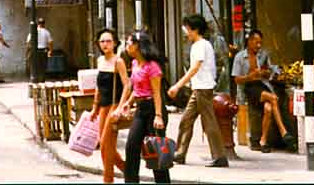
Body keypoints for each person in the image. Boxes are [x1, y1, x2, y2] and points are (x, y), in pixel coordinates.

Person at [168, 14, 228, 167]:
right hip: (199, 88)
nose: (186, 32)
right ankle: (180, 153)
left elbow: (195, 68)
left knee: (209, 123)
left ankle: (219, 156)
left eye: (187, 29)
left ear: (195, 30)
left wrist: (178, 85)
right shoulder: (199, 45)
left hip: (203, 88)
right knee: (186, 120)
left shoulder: (201, 45)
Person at [117, 30, 170, 184]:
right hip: (140, 109)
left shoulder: (152, 66)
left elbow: (156, 93)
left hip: (153, 108)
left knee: (156, 152)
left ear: (137, 45)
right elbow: (137, 88)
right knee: (131, 147)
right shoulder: (134, 64)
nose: (126, 46)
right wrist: (129, 102)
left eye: (128, 43)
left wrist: (159, 116)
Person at [232, 30, 295, 152]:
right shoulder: (240, 57)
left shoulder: (263, 55)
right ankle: (283, 131)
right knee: (273, 98)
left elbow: (269, 71)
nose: (259, 46)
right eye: (256, 43)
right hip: (249, 88)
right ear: (249, 41)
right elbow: (236, 79)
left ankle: (263, 140)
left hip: (262, 86)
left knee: (269, 108)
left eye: (260, 43)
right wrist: (250, 76)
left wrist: (265, 73)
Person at [89, 28, 129, 183]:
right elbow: (98, 87)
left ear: (115, 43)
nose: (105, 44)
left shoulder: (118, 61)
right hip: (103, 107)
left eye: (108, 41)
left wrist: (120, 107)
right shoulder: (100, 61)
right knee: (105, 146)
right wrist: (94, 108)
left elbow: (127, 84)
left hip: (114, 105)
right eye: (102, 41)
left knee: (106, 145)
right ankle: (128, 171)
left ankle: (108, 180)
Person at [26, 17, 53, 83]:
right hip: (43, 51)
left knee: (35, 66)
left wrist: (28, 52)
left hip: (35, 51)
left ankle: (35, 81)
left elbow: (28, 42)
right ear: (44, 24)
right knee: (43, 68)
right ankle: (42, 81)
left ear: (38, 24)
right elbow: (50, 42)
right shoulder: (46, 32)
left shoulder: (33, 31)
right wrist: (50, 51)